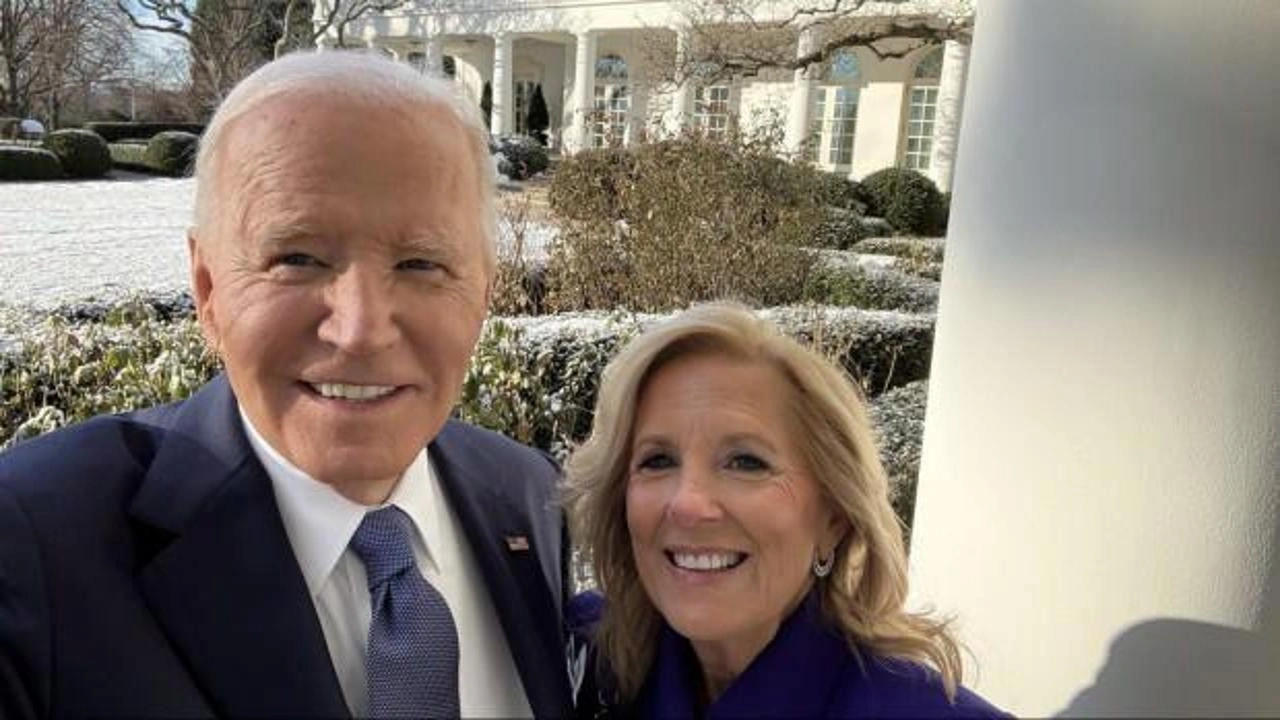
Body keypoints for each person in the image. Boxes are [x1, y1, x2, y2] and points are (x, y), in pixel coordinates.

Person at [0, 52, 574, 718]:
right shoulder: (35, 545)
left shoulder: (528, 496)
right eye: (297, 258)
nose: (360, 331)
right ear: (208, 289)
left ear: (483, 293)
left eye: (421, 263)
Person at [564, 303, 1008, 718]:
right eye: (657, 460)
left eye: (746, 462)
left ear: (834, 519)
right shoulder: (582, 659)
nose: (687, 503)